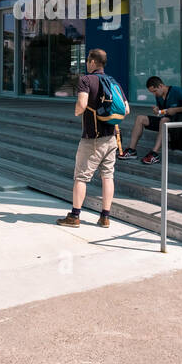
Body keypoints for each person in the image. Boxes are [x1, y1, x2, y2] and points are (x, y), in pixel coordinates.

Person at [59, 48, 119, 229]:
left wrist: (78, 111)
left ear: (93, 62)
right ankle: (105, 217)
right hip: (112, 137)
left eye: (87, 60)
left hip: (92, 138)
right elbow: (126, 108)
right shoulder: (112, 80)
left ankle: (75, 216)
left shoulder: (86, 79)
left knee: (81, 177)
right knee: (108, 176)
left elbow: (82, 104)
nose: (86, 62)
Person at [119, 76, 182, 165]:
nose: (154, 94)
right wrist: (158, 111)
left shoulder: (176, 91)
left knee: (164, 120)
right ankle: (132, 150)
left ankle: (155, 154)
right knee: (140, 118)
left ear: (161, 86)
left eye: (154, 91)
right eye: (152, 92)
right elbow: (164, 112)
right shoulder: (159, 96)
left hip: (181, 124)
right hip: (167, 121)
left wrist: (176, 109)